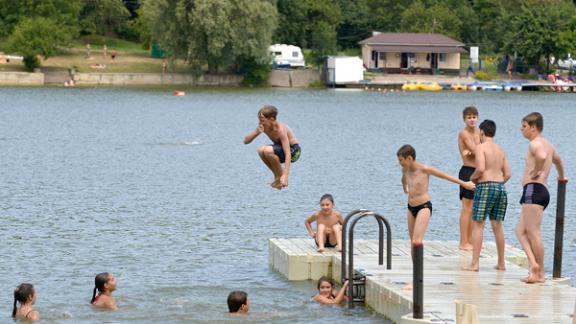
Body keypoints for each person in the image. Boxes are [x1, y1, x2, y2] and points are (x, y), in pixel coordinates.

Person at [516, 112, 566, 284]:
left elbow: (542, 157)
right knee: (520, 231)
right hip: (541, 191)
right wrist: (561, 178)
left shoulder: (535, 143)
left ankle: (539, 272)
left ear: (533, 127)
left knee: (533, 233)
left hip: (533, 190)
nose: (521, 130)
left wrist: (537, 170)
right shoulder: (548, 144)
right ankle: (534, 265)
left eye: (524, 126)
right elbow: (558, 161)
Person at [397, 144, 475, 251]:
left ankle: (419, 266)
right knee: (412, 243)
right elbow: (404, 179)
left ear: (409, 158)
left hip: (423, 207)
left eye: (401, 160)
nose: (399, 163)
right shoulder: (405, 170)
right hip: (410, 207)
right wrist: (405, 188)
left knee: (417, 241)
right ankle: (416, 267)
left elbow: (445, 176)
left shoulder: (425, 169)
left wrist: (465, 184)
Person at [463, 120, 511, 272]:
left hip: (485, 186)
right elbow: (508, 174)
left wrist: (472, 178)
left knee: (478, 224)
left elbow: (481, 168)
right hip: (500, 187)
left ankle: (475, 264)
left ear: (482, 133)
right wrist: (498, 183)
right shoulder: (501, 149)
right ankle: (501, 263)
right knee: (497, 226)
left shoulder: (480, 148)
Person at [243, 105, 301, 189]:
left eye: (262, 120)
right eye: (259, 120)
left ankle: (282, 178)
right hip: (280, 148)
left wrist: (286, 175)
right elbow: (245, 141)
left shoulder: (280, 129)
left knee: (267, 151)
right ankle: (277, 177)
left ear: (272, 119)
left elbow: (288, 153)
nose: (260, 122)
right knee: (260, 150)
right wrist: (256, 132)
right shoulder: (264, 126)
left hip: (294, 151)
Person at [457, 106, 481, 250]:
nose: (472, 120)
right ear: (464, 119)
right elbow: (477, 150)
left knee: (474, 208)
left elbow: (482, 150)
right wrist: (473, 151)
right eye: (469, 117)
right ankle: (463, 242)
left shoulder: (479, 132)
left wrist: (474, 151)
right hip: (467, 171)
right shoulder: (463, 133)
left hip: (478, 171)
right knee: (467, 207)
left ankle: (471, 240)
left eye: (474, 117)